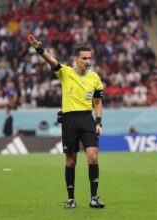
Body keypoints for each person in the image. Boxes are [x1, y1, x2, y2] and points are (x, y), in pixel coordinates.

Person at [28, 35, 105, 208]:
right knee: (71, 161)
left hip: (87, 119)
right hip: (69, 120)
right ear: (76, 59)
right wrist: (39, 49)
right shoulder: (65, 72)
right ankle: (71, 198)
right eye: (84, 58)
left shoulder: (95, 78)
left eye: (89, 58)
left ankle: (94, 197)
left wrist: (98, 121)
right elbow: (52, 61)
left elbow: (98, 102)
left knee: (93, 157)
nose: (87, 61)